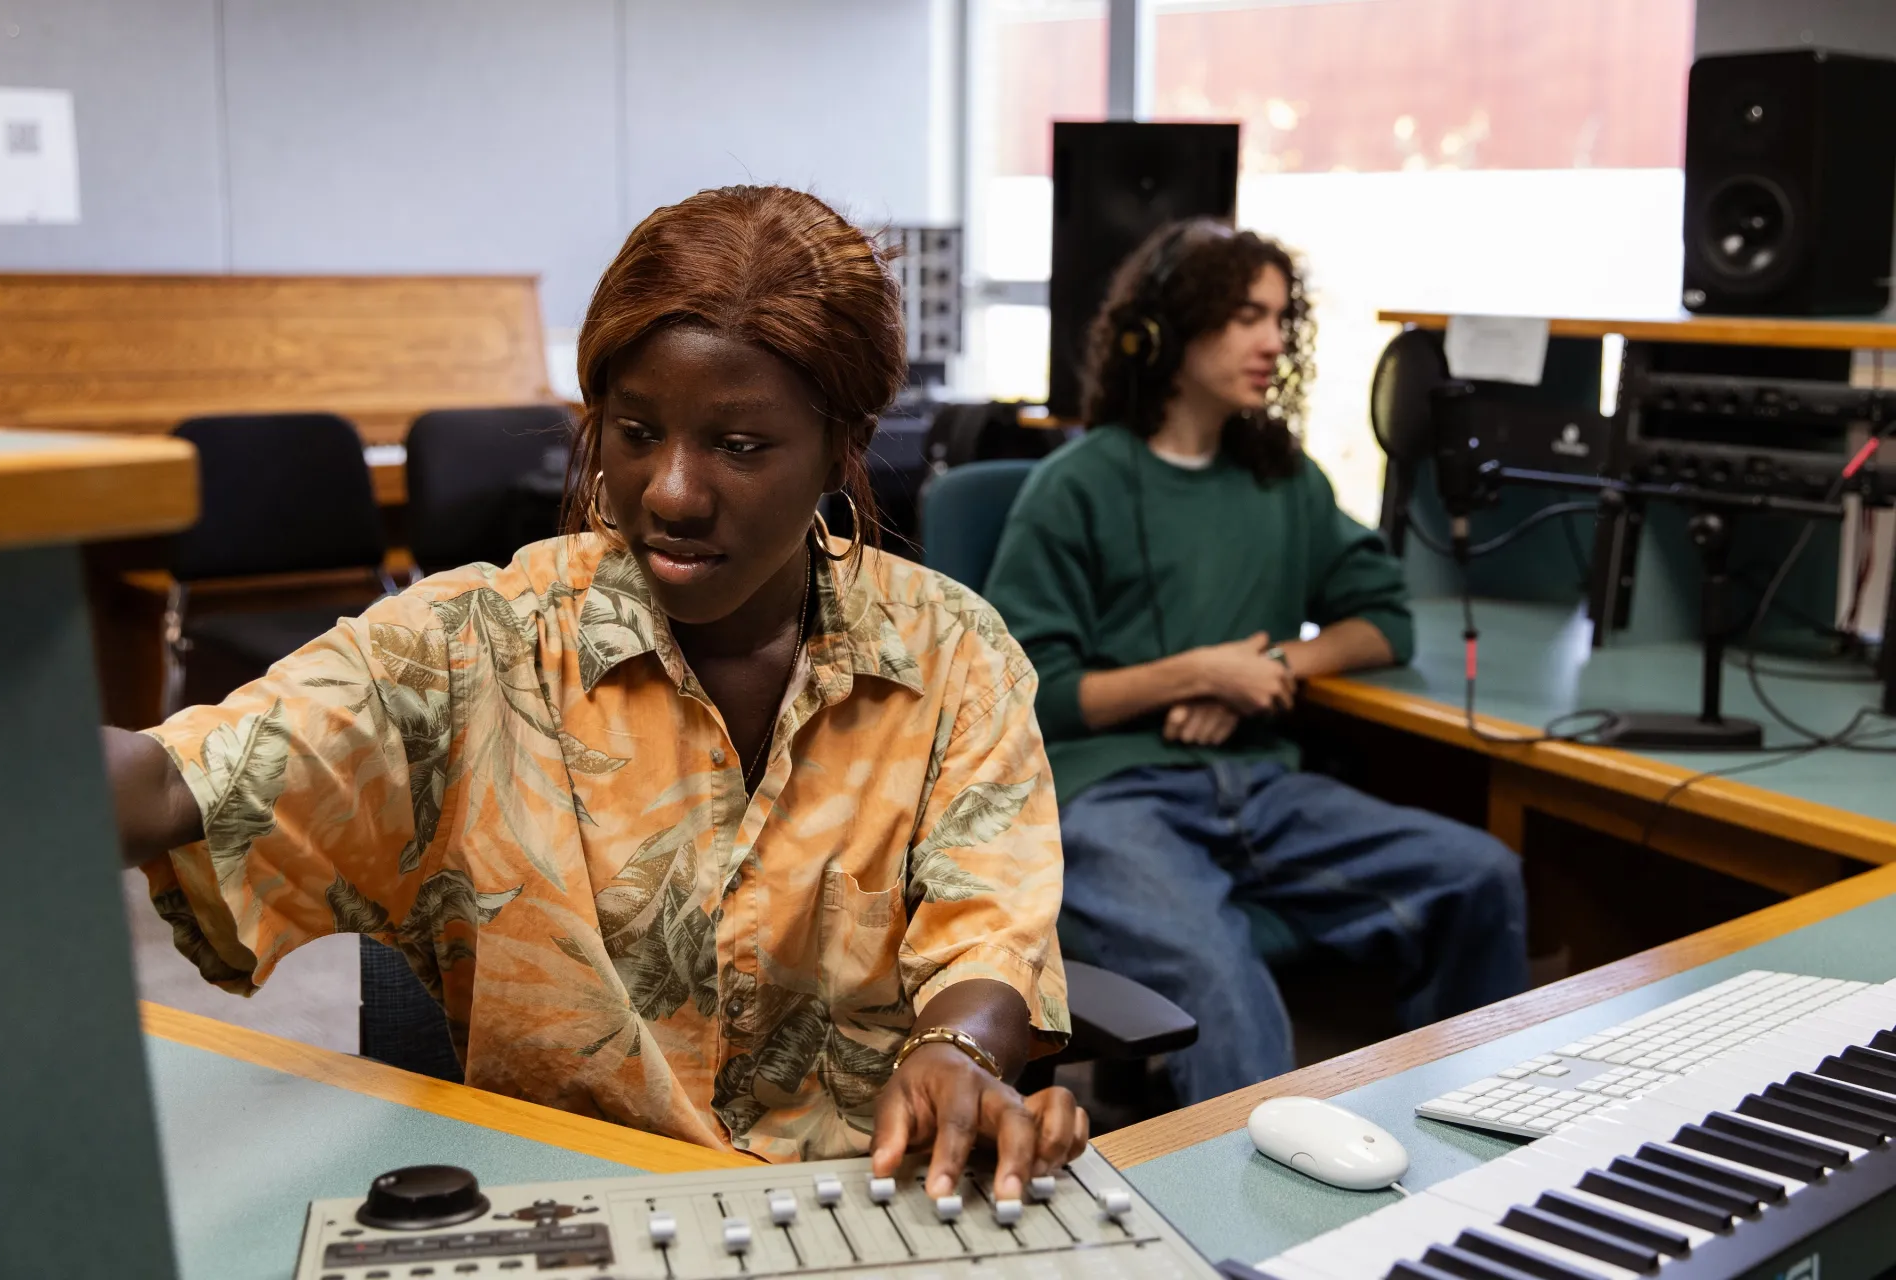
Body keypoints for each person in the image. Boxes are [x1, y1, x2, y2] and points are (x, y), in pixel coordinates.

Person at [102, 185, 1084, 1200]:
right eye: (636, 431)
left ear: (847, 441)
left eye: (740, 445)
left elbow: (989, 924)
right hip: (580, 1215)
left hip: (858, 1216)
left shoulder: (953, 651)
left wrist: (955, 1049)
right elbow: (178, 781)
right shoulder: (471, 645)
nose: (670, 490)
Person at [982, 219, 1528, 1106]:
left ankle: (1478, 1129)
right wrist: (1197, 673)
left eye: (1280, 318)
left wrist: (1270, 667)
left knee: (1479, 874)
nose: (1272, 341)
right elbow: (1023, 696)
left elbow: (1385, 621)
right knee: (1216, 970)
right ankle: (1254, 1226)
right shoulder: (1075, 486)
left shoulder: (1284, 481)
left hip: (1259, 790)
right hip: (1111, 799)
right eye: (1244, 316)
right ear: (1160, 332)